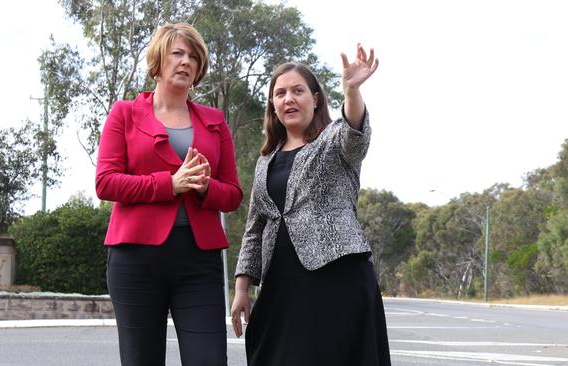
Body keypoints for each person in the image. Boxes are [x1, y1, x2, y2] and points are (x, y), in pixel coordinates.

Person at [231, 44, 390, 365]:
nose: (288, 98)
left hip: (337, 280)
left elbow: (355, 134)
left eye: (298, 91)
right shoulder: (266, 159)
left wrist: (352, 91)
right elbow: (255, 227)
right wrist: (242, 289)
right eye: (280, 93)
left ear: (315, 98)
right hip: (281, 285)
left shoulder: (333, 141)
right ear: (273, 105)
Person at [95, 22, 242, 366]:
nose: (186, 61)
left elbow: (233, 194)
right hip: (135, 260)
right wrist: (169, 184)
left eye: (193, 56)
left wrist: (205, 187)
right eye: (177, 53)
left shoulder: (215, 121)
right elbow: (106, 182)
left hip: (198, 262)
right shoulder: (124, 114)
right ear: (159, 60)